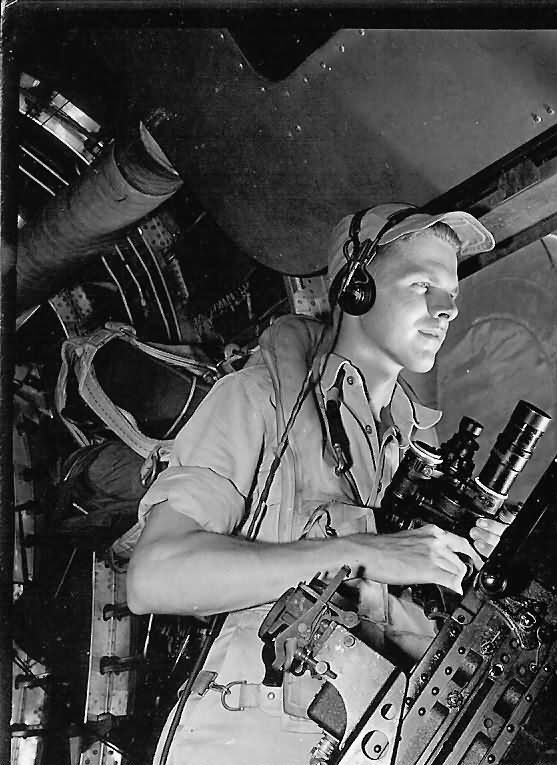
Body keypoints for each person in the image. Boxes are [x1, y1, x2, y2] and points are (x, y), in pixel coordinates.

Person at [125, 203, 503, 765]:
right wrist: (361, 552)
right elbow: (154, 578)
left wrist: (474, 579)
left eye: (452, 295)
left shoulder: (402, 456)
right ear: (355, 288)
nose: (446, 310)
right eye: (422, 284)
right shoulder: (260, 399)